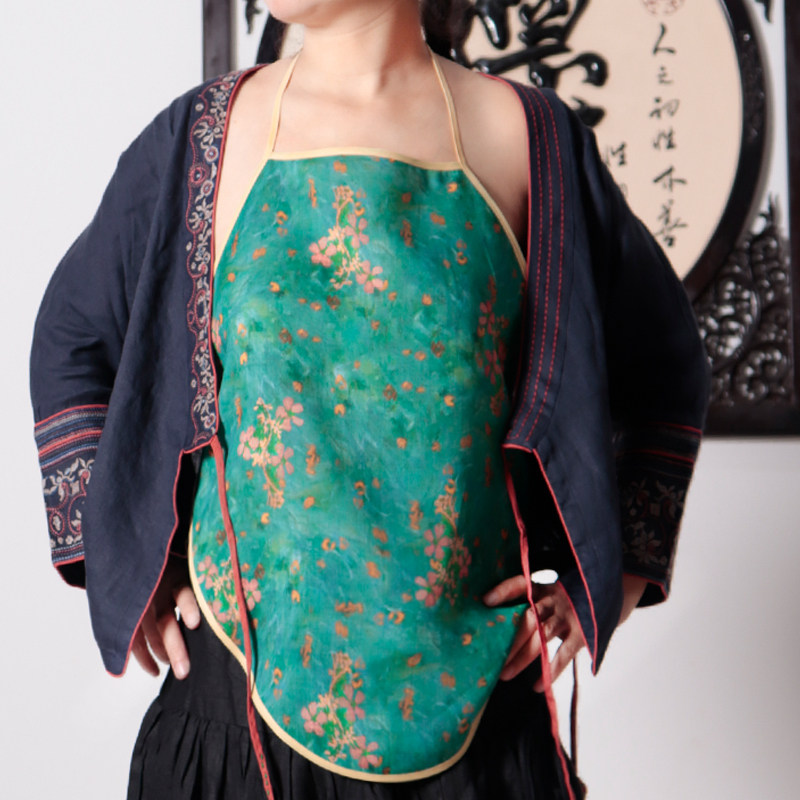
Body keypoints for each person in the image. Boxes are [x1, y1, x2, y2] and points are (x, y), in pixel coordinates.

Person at [30, 1, 710, 798]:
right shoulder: (204, 137)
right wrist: (129, 565)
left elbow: (665, 363)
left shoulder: (528, 139)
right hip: (234, 725)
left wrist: (611, 583)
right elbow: (72, 338)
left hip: (476, 732)